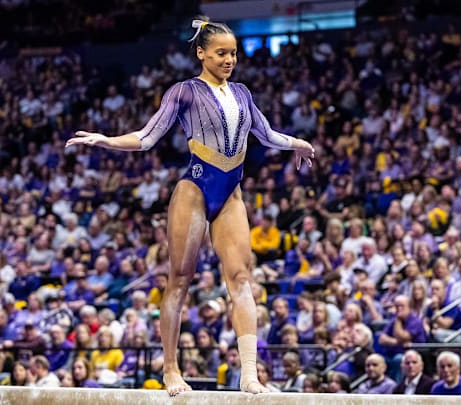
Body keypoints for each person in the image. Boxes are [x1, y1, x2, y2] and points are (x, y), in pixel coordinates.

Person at [65, 16, 315, 396]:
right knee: (180, 279)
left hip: (231, 193)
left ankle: (250, 374)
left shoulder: (243, 94)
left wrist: (297, 142)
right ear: (201, 53)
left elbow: (264, 134)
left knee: (241, 277)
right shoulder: (184, 91)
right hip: (194, 189)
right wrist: (106, 141)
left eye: (233, 53)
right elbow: (148, 137)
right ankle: (170, 369)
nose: (229, 59)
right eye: (220, 53)